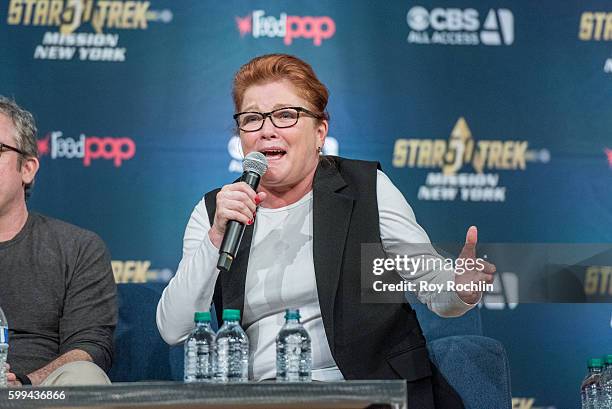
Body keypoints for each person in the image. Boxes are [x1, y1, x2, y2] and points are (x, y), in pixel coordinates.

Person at [156, 54, 495, 408]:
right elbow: (173, 327)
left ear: (320, 131)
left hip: (368, 393)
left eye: (286, 115)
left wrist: (460, 288)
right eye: (252, 119)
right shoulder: (217, 210)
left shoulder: (366, 189)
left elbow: (431, 283)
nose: (267, 130)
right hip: (262, 398)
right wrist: (215, 239)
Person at [0, 96, 117, 386]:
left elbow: (89, 349)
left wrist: (25, 383)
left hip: (41, 394)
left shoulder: (77, 248)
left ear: (27, 168)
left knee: (86, 377)